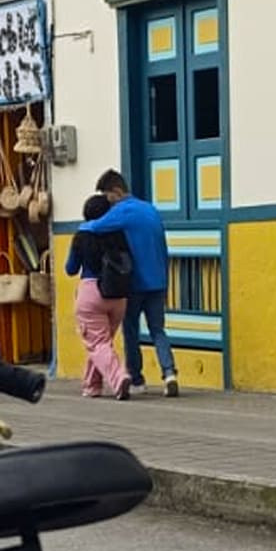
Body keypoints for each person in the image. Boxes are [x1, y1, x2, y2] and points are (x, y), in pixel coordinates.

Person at [79, 169, 177, 397]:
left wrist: (81, 230)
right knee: (158, 330)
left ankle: (137, 379)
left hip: (134, 284)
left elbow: (94, 226)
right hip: (158, 281)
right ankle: (169, 373)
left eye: (108, 196)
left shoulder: (123, 211)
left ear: (117, 191)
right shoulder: (151, 210)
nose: (107, 202)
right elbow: (163, 247)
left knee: (131, 331)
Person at [66, 196, 131, 400]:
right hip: (118, 295)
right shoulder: (119, 233)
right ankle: (92, 385)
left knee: (97, 344)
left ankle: (118, 378)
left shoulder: (82, 235)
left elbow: (71, 268)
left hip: (91, 293)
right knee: (103, 344)